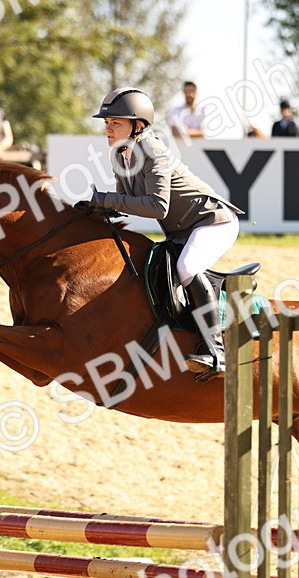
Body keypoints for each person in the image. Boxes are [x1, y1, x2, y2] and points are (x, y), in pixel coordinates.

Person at [83, 87, 242, 381]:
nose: (108, 128)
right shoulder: (120, 155)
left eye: (115, 123)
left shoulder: (153, 150)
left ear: (137, 125)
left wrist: (105, 200)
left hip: (213, 222)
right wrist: (93, 211)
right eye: (106, 123)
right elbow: (125, 204)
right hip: (184, 229)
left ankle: (215, 352)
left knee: (186, 267)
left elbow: (157, 206)